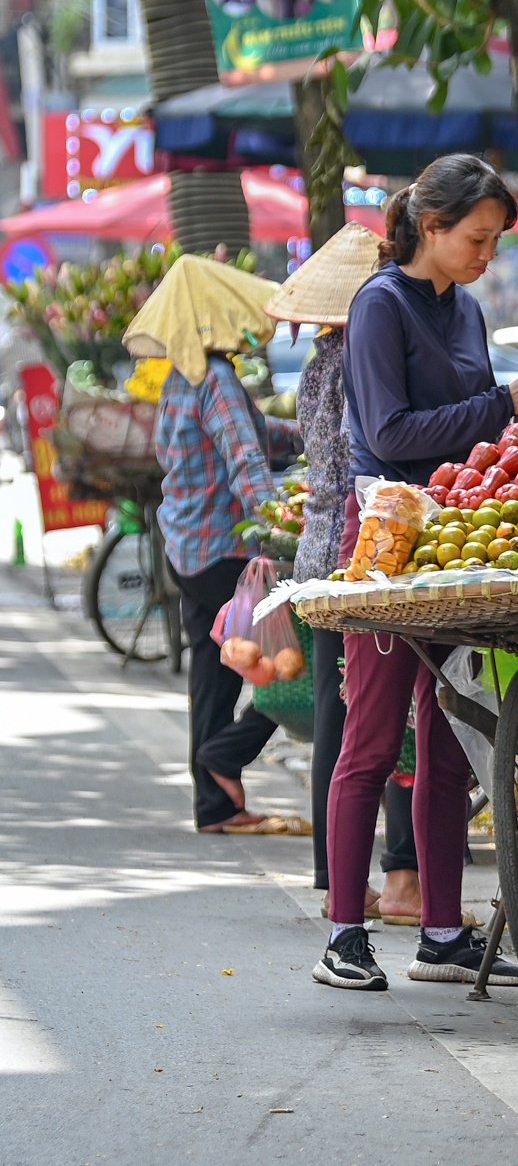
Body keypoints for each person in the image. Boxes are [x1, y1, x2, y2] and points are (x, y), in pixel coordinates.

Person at [314, 154, 518, 991]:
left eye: (494, 242)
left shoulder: (466, 311)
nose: (485, 255)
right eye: (475, 238)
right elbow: (393, 434)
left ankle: (441, 929)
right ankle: (344, 933)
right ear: (429, 228)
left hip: (457, 539)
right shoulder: (379, 305)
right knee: (370, 737)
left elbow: (468, 433)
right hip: (392, 541)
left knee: (445, 744)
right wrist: (510, 401)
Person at [265, 222, 423, 921]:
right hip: (363, 546)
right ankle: (394, 873)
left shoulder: (317, 362)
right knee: (384, 717)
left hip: (316, 545)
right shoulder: (364, 352)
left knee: (340, 713)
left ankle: (336, 873)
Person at [137, 255, 304, 834]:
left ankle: (216, 804)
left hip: (185, 546)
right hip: (223, 553)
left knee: (215, 669)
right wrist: (281, 526)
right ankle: (225, 755)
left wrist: (313, 434)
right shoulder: (218, 379)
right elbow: (248, 465)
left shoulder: (186, 377)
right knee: (293, 664)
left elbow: (257, 434)